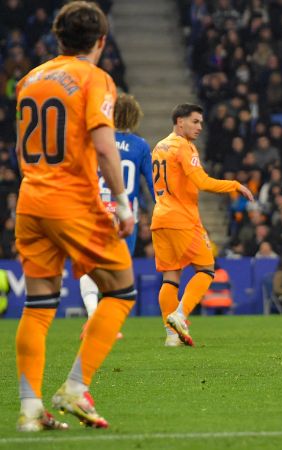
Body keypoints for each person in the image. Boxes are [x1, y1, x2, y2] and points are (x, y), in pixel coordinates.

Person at [14, 2, 136, 431]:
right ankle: (75, 388)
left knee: (38, 306)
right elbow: (105, 147)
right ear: (101, 41)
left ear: (58, 37)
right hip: (71, 201)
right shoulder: (95, 77)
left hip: (30, 201)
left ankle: (30, 410)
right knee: (121, 290)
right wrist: (122, 203)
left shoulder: (30, 79)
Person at [151, 104, 254, 347]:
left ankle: (171, 335)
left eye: (201, 122)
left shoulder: (159, 146)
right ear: (180, 121)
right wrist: (234, 185)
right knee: (207, 269)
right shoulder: (184, 147)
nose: (199, 127)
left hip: (160, 218)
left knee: (170, 278)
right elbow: (202, 181)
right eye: (195, 121)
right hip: (182, 219)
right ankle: (180, 315)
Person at [79, 93, 155, 339]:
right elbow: (152, 185)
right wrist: (161, 207)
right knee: (118, 272)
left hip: (94, 212)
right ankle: (106, 324)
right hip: (124, 217)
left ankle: (93, 316)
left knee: (90, 266)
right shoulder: (140, 145)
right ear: (134, 117)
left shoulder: (95, 140)